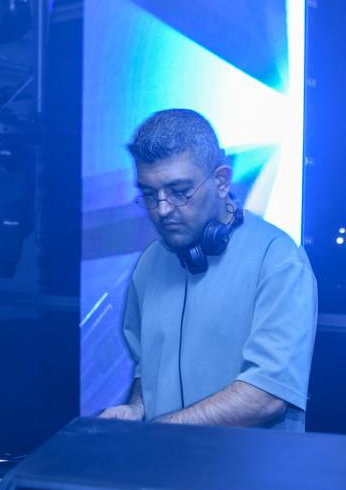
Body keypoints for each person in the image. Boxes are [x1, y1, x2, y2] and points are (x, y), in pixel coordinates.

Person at [98, 109, 318, 430]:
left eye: (178, 191)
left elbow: (267, 396)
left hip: (245, 465)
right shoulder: (151, 262)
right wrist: (136, 408)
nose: (162, 209)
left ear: (221, 181)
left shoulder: (279, 260)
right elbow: (148, 369)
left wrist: (157, 432)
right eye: (149, 194)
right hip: (162, 458)